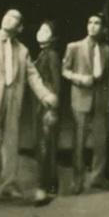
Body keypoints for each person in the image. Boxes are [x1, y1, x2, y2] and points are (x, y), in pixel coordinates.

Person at [0, 9, 57, 209]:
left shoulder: (22, 50)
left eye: (14, 17)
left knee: (10, 144)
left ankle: (8, 185)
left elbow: (32, 76)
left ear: (20, 27)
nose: (8, 18)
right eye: (7, 15)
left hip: (13, 101)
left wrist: (45, 95)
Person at [63, 14, 109, 194]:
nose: (92, 26)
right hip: (81, 98)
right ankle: (77, 180)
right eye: (90, 22)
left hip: (100, 100)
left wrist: (108, 100)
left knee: (100, 142)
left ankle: (97, 178)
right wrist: (80, 78)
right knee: (79, 142)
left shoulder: (108, 50)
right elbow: (65, 70)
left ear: (103, 28)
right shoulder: (74, 47)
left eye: (97, 23)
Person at [32, 20, 62, 205]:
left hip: (47, 106)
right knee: (44, 146)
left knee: (45, 147)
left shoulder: (51, 55)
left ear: (53, 36)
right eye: (40, 28)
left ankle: (45, 187)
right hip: (41, 104)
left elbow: (56, 84)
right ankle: (50, 185)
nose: (40, 32)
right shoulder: (43, 54)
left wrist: (52, 110)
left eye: (45, 30)